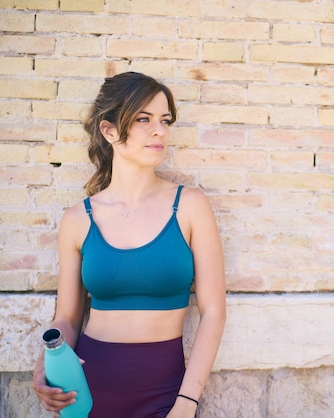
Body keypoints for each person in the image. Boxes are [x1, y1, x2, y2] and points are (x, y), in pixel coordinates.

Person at [32, 71, 226, 418]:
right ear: (109, 131)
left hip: (167, 394)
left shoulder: (191, 206)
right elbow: (68, 319)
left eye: (165, 120)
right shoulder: (78, 219)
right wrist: (45, 362)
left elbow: (213, 312)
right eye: (143, 119)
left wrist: (187, 401)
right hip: (87, 393)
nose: (160, 131)